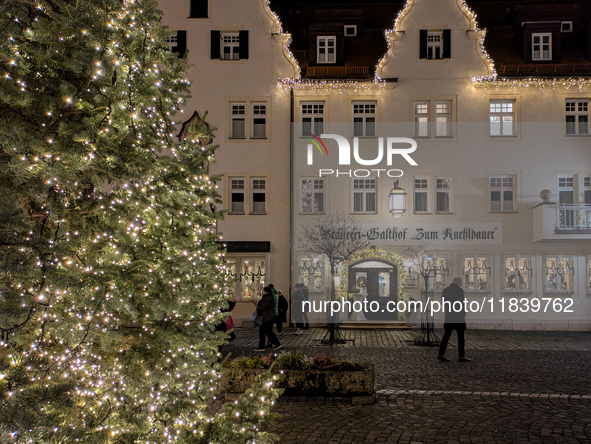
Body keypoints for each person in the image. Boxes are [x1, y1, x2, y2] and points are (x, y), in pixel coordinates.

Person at [437, 277, 471, 362]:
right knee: (460, 337)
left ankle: (440, 354)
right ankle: (461, 356)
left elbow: (443, 302)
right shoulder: (460, 291)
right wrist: (463, 313)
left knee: (446, 336)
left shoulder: (446, 290)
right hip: (458, 316)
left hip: (449, 316)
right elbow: (462, 303)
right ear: (459, 282)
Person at [253, 286, 282, 351]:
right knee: (268, 331)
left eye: (264, 291)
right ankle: (277, 344)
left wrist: (257, 306)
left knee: (263, 331)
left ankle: (261, 346)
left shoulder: (266, 298)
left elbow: (263, 307)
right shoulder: (271, 297)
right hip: (270, 316)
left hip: (265, 317)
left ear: (266, 291)